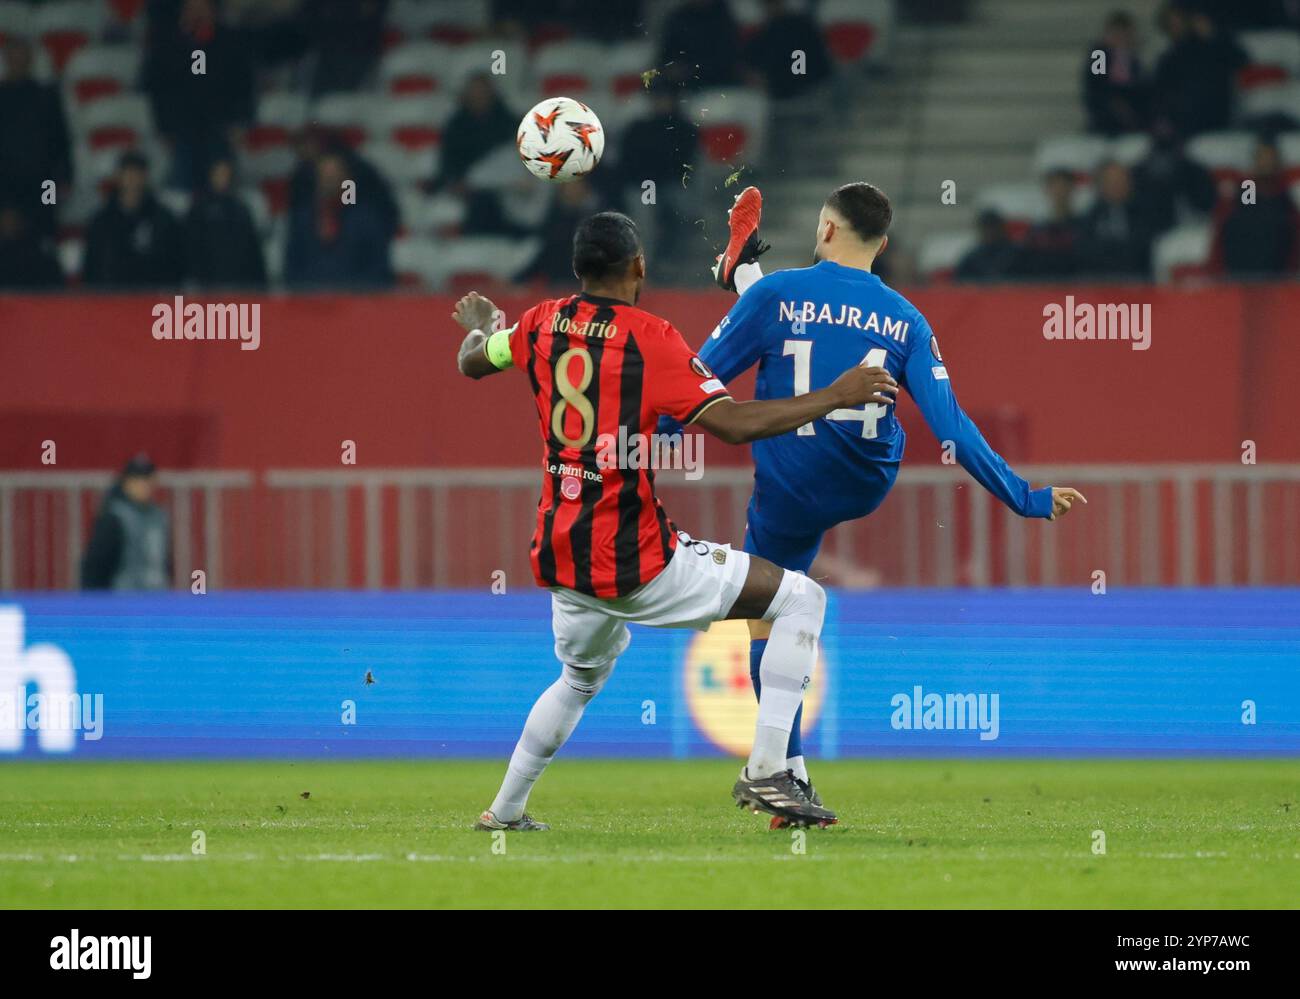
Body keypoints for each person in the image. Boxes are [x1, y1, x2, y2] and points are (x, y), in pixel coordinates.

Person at [453, 211, 900, 830]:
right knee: (801, 600)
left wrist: (481, 327)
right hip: (636, 558)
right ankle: (769, 770)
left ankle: (504, 812)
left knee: (579, 679)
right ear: (638, 267)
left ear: (578, 270)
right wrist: (836, 394)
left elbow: (474, 362)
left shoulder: (536, 323)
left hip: (561, 552)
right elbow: (734, 423)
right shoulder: (650, 337)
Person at [663, 185, 1086, 815]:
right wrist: (1026, 497)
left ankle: (740, 270)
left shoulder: (777, 297)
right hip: (864, 479)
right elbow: (951, 426)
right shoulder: (907, 319)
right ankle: (793, 779)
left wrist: (644, 436)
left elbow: (695, 382)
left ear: (825, 230)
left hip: (789, 482)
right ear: (882, 245)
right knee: (791, 605)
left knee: (766, 614)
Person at [82, 151, 186, 289]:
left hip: (152, 300)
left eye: (136, 173)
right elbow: (92, 268)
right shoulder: (101, 221)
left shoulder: (163, 219)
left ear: (145, 177)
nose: (132, 179)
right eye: (127, 173)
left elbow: (175, 264)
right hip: (112, 301)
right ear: (118, 176)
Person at [81, 454, 173, 592]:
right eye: (137, 480)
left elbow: (164, 560)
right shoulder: (114, 517)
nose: (143, 485)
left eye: (147, 479)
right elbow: (97, 564)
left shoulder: (158, 517)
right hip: (124, 598)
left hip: (157, 595)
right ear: (126, 483)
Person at [1213, 139, 1299, 277]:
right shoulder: (1248, 187)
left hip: (1277, 272)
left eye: (1270, 158)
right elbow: (1242, 219)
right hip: (1242, 269)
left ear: (1278, 162)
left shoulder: (1283, 194)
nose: (1266, 163)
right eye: (1262, 158)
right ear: (1255, 160)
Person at [185, 155, 267, 288]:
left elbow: (252, 250)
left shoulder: (241, 209)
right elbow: (192, 248)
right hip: (208, 284)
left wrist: (260, 283)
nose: (223, 178)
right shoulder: (198, 209)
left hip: (238, 283)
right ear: (210, 175)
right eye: (219, 173)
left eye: (226, 174)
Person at [1081, 10, 1149, 136]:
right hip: (1105, 119)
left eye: (1125, 34)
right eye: (1117, 34)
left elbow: (1140, 88)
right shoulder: (1099, 56)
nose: (1121, 39)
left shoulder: (1133, 60)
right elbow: (1098, 86)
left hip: (1130, 121)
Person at [953, 209, 1020, 283]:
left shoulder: (1019, 255)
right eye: (986, 228)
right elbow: (960, 284)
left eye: (993, 227)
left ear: (1001, 228)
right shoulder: (971, 259)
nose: (990, 232)